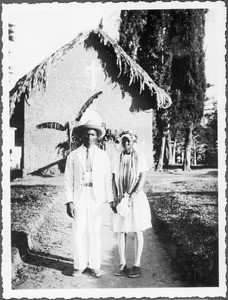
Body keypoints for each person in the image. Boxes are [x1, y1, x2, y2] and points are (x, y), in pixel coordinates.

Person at [64, 118, 113, 278]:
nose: (89, 137)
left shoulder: (103, 156)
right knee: (79, 230)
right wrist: (69, 201)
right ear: (81, 136)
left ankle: (94, 265)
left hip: (96, 197)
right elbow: (68, 180)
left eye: (92, 134)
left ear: (97, 136)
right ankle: (79, 265)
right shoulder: (73, 155)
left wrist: (110, 200)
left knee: (94, 232)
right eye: (86, 134)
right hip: (80, 196)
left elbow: (107, 179)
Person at [110, 130, 152, 278]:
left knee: (137, 230)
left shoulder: (140, 157)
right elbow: (113, 178)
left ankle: (137, 264)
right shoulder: (117, 157)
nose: (126, 144)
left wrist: (131, 197)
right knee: (121, 231)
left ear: (134, 142)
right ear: (121, 142)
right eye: (124, 141)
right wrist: (115, 198)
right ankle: (122, 263)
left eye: (129, 141)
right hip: (121, 197)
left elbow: (142, 179)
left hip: (135, 197)